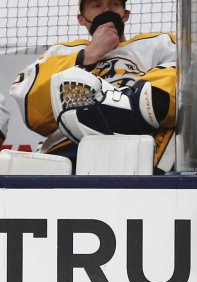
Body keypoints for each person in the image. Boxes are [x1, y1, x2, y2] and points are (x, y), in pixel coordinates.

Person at [8, 0, 176, 173]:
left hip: (139, 146)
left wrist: (138, 105)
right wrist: (86, 55)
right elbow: (32, 108)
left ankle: (126, 112)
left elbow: (190, 77)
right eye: (96, 5)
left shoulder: (159, 43)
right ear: (81, 18)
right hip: (69, 150)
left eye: (114, 4)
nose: (106, 10)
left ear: (125, 14)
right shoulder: (60, 52)